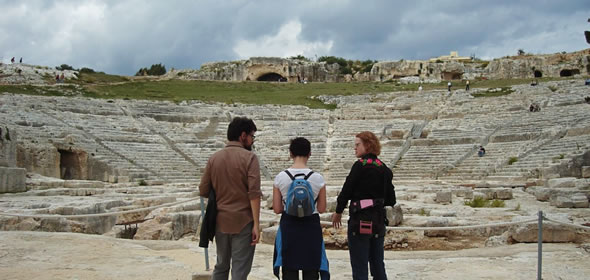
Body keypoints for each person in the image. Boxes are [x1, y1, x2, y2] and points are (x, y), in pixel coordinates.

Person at [199, 116, 262, 280]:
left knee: (220, 266)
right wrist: (256, 224)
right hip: (243, 221)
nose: (252, 140)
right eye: (252, 136)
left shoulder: (214, 158)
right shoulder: (250, 158)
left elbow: (203, 189)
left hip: (220, 221)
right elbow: (254, 193)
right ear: (243, 136)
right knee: (239, 270)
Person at [332, 131, 396, 280]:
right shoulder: (385, 169)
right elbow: (391, 200)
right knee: (378, 265)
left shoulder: (359, 166)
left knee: (360, 267)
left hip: (360, 221)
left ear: (368, 145)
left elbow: (346, 190)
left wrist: (338, 211)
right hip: (378, 222)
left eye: (357, 145)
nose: (355, 148)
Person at [272, 137, 330, 280]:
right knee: (311, 269)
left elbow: (277, 209)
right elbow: (322, 208)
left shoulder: (280, 177)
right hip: (311, 227)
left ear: (291, 153)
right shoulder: (318, 178)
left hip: (289, 226)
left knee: (289, 269)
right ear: (309, 154)